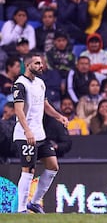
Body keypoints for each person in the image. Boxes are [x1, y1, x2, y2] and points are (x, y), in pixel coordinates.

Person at [12, 53, 68, 213]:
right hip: (25, 135)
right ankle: (22, 209)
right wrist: (27, 130)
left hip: (40, 135)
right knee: (28, 169)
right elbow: (18, 110)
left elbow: (44, 105)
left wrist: (59, 116)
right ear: (28, 64)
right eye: (37, 63)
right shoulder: (20, 84)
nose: (41, 66)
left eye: (41, 63)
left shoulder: (40, 83)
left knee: (53, 166)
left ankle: (34, 202)